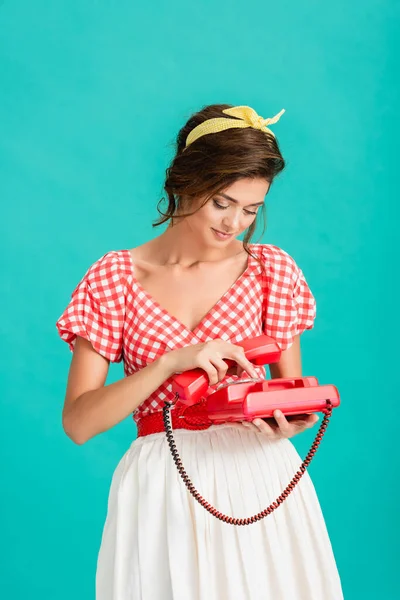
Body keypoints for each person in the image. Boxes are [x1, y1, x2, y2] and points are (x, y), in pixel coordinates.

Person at [56, 104, 343, 599]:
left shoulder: (271, 271)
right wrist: (170, 363)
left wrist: (293, 421)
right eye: (222, 203)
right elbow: (79, 423)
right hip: (162, 485)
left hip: (257, 479)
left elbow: (294, 396)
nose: (235, 222)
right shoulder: (115, 278)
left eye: (251, 209)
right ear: (187, 183)